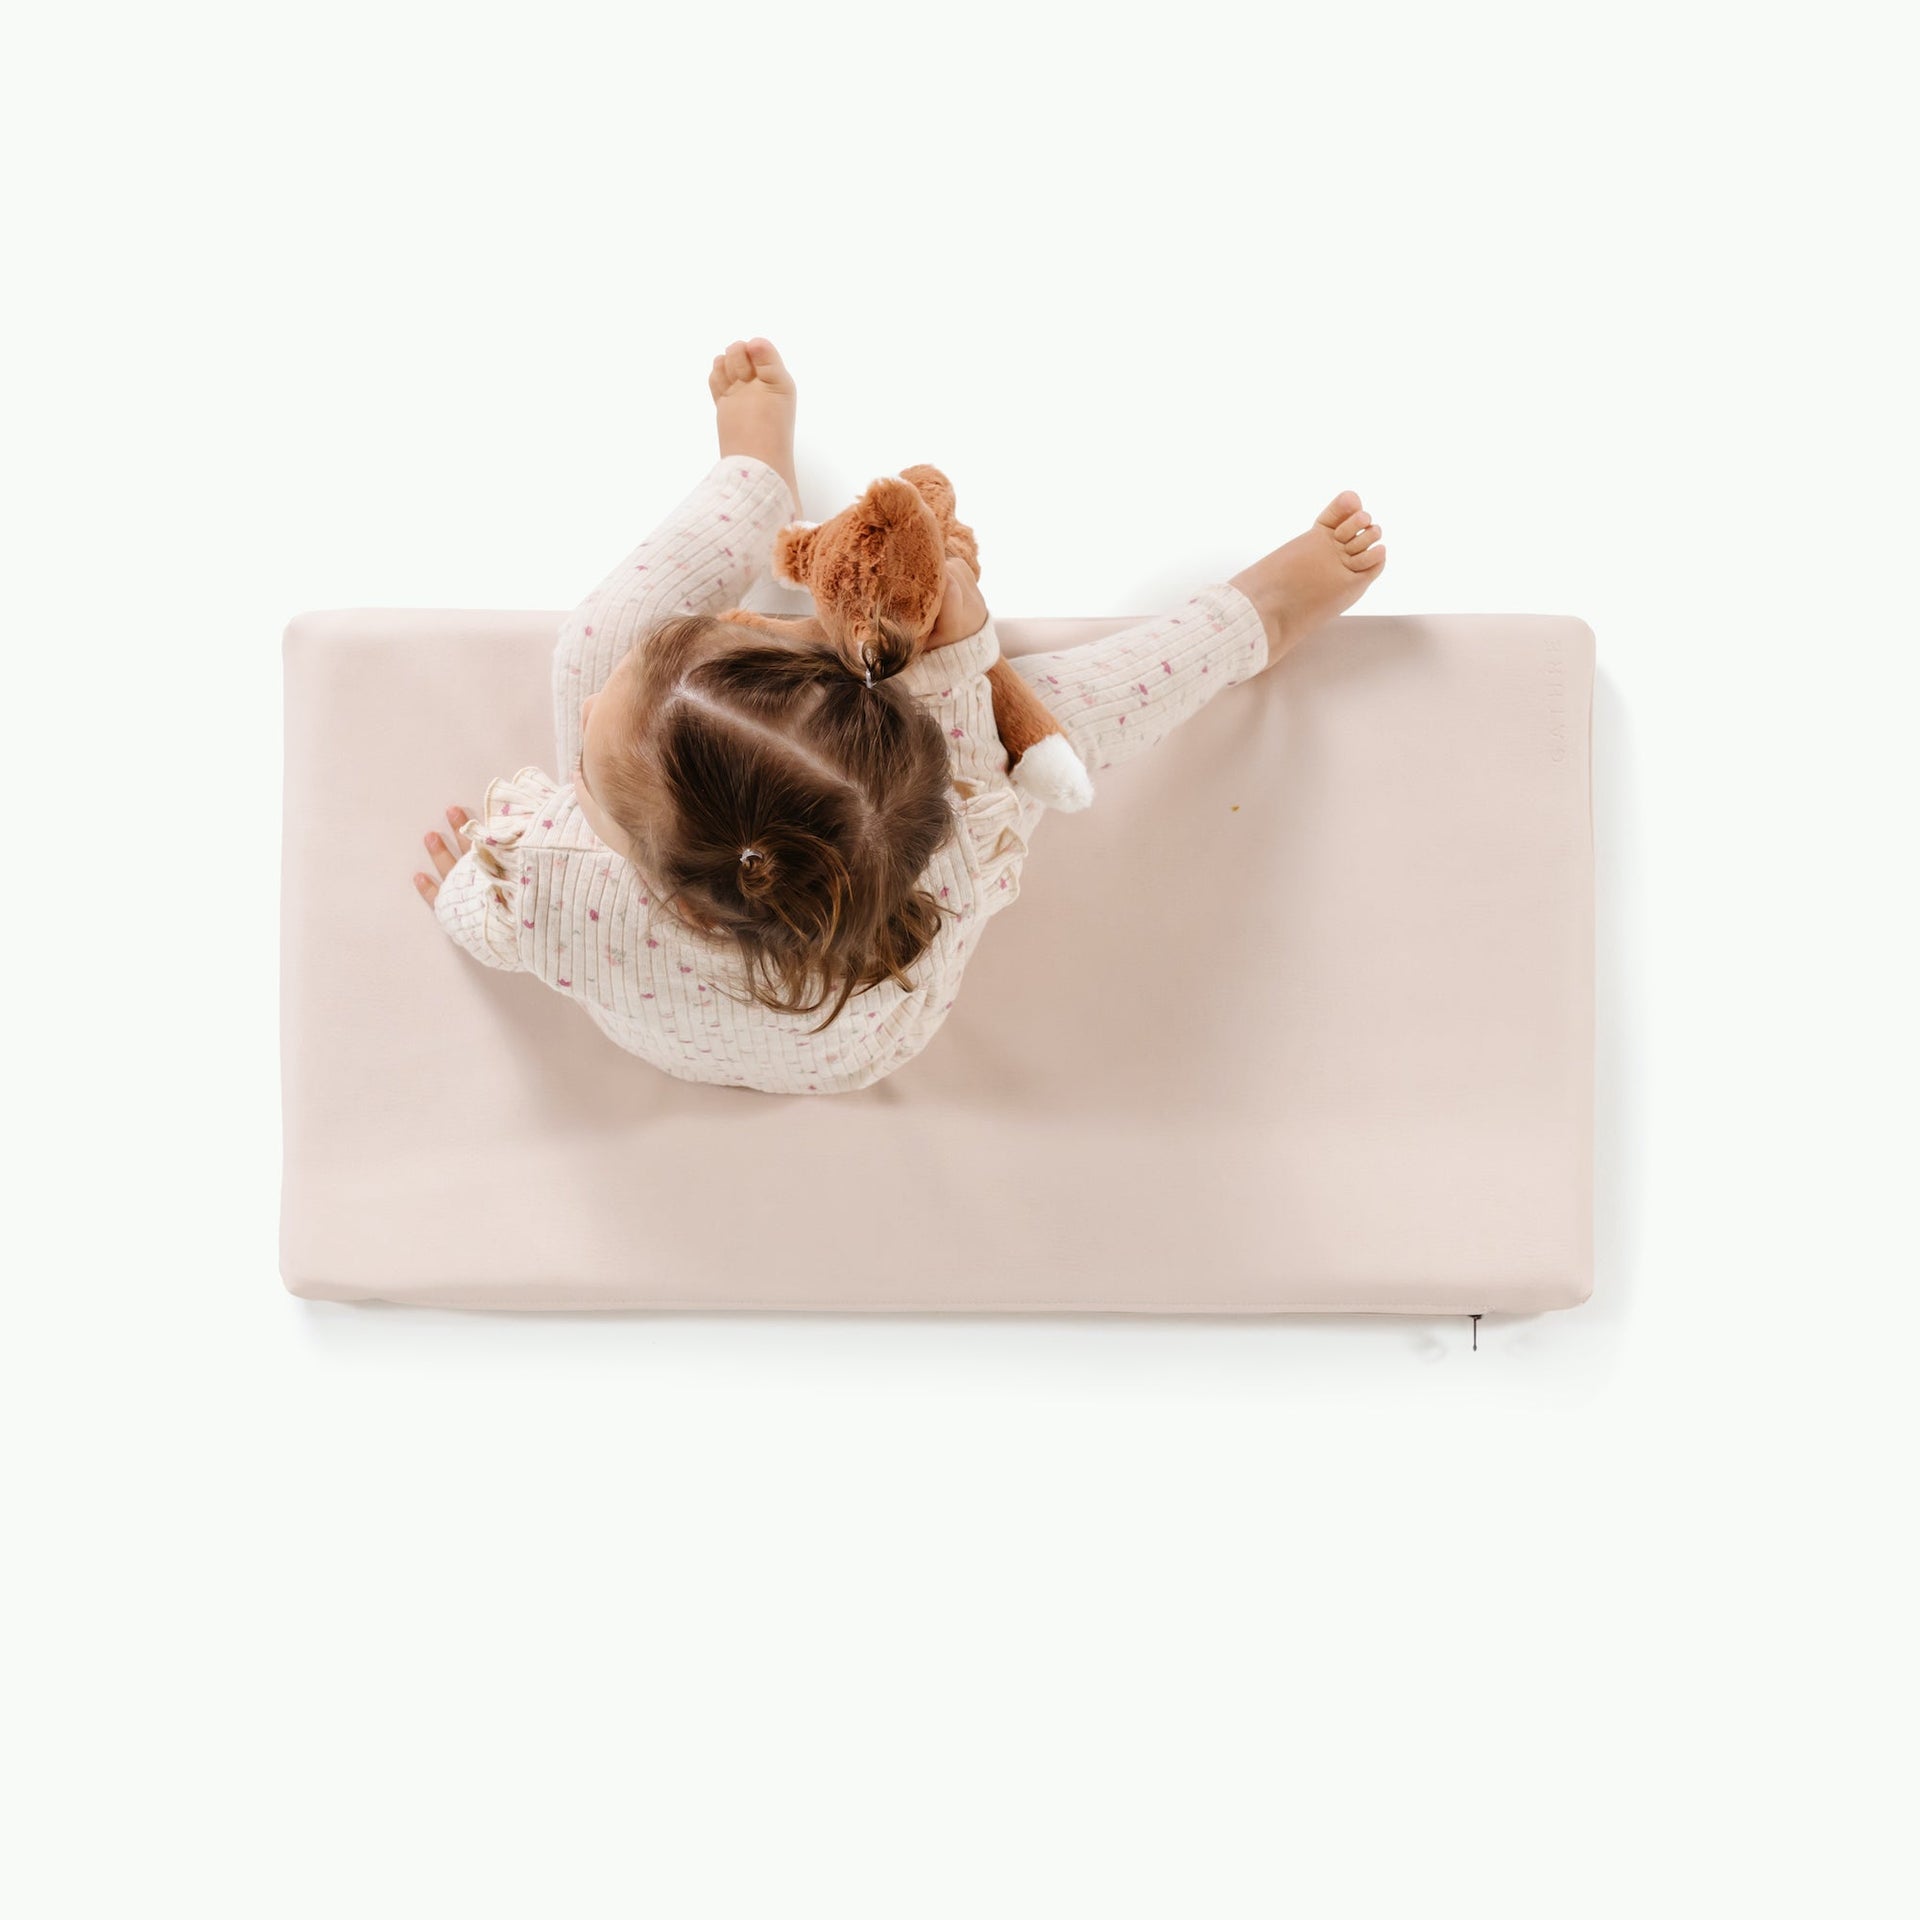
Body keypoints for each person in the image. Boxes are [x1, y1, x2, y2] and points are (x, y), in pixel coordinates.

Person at [412, 339, 1385, 1095]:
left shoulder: (545, 880)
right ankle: (1254, 622)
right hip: (862, 1049)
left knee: (597, 635)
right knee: (1052, 720)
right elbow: (964, 750)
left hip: (681, 1035)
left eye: (593, 742)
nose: (590, 704)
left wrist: (463, 883)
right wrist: (961, 649)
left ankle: (752, 484)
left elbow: (476, 919)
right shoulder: (934, 863)